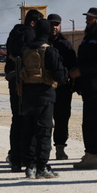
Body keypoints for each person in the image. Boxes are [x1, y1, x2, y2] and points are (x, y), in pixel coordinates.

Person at [18, 18, 66, 179]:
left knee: (29, 132)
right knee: (44, 132)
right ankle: (41, 167)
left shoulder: (25, 50)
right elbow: (60, 75)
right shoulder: (50, 51)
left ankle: (30, 167)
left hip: (27, 97)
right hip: (45, 97)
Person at [71, 7, 97, 170]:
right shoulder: (89, 36)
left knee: (90, 122)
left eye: (91, 18)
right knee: (96, 121)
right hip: (88, 86)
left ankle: (90, 156)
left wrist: (81, 71)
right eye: (87, 18)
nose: (87, 21)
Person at [6, 9, 43, 171]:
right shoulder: (30, 35)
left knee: (17, 118)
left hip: (13, 80)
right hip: (26, 82)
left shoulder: (13, 33)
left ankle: (15, 157)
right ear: (33, 23)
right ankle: (25, 157)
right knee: (28, 119)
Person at [47, 14, 77, 160]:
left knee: (62, 119)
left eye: (56, 24)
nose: (54, 27)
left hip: (62, 89)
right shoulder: (41, 43)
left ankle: (60, 148)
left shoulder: (65, 45)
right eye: (51, 24)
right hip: (45, 88)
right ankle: (44, 149)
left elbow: (73, 67)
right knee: (44, 119)